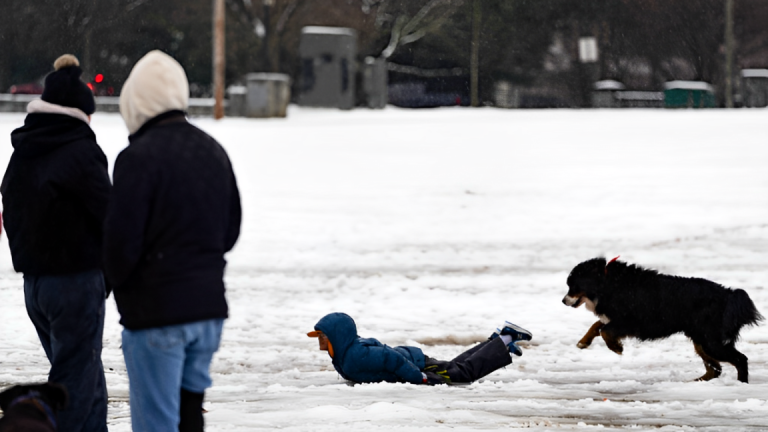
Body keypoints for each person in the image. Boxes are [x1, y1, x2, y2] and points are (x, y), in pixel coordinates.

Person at [103, 50, 241, 432]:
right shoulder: (214, 151)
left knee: (157, 422)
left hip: (156, 315)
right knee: (189, 415)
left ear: (134, 103)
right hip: (208, 312)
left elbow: (120, 244)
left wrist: (117, 283)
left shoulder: (137, 158)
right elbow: (230, 230)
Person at [1, 54, 110, 432]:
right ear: (79, 113)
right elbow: (108, 215)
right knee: (73, 387)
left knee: (87, 377)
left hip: (35, 286)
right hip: (75, 283)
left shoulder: (22, 153)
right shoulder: (81, 152)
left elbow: (12, 212)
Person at [308, 312, 532, 385]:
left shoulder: (354, 355)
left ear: (335, 336)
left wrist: (419, 377)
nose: (320, 340)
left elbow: (389, 358)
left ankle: (505, 339)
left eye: (323, 336)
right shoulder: (345, 352)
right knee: (457, 367)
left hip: (414, 364)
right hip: (413, 359)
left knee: (463, 375)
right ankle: (497, 341)